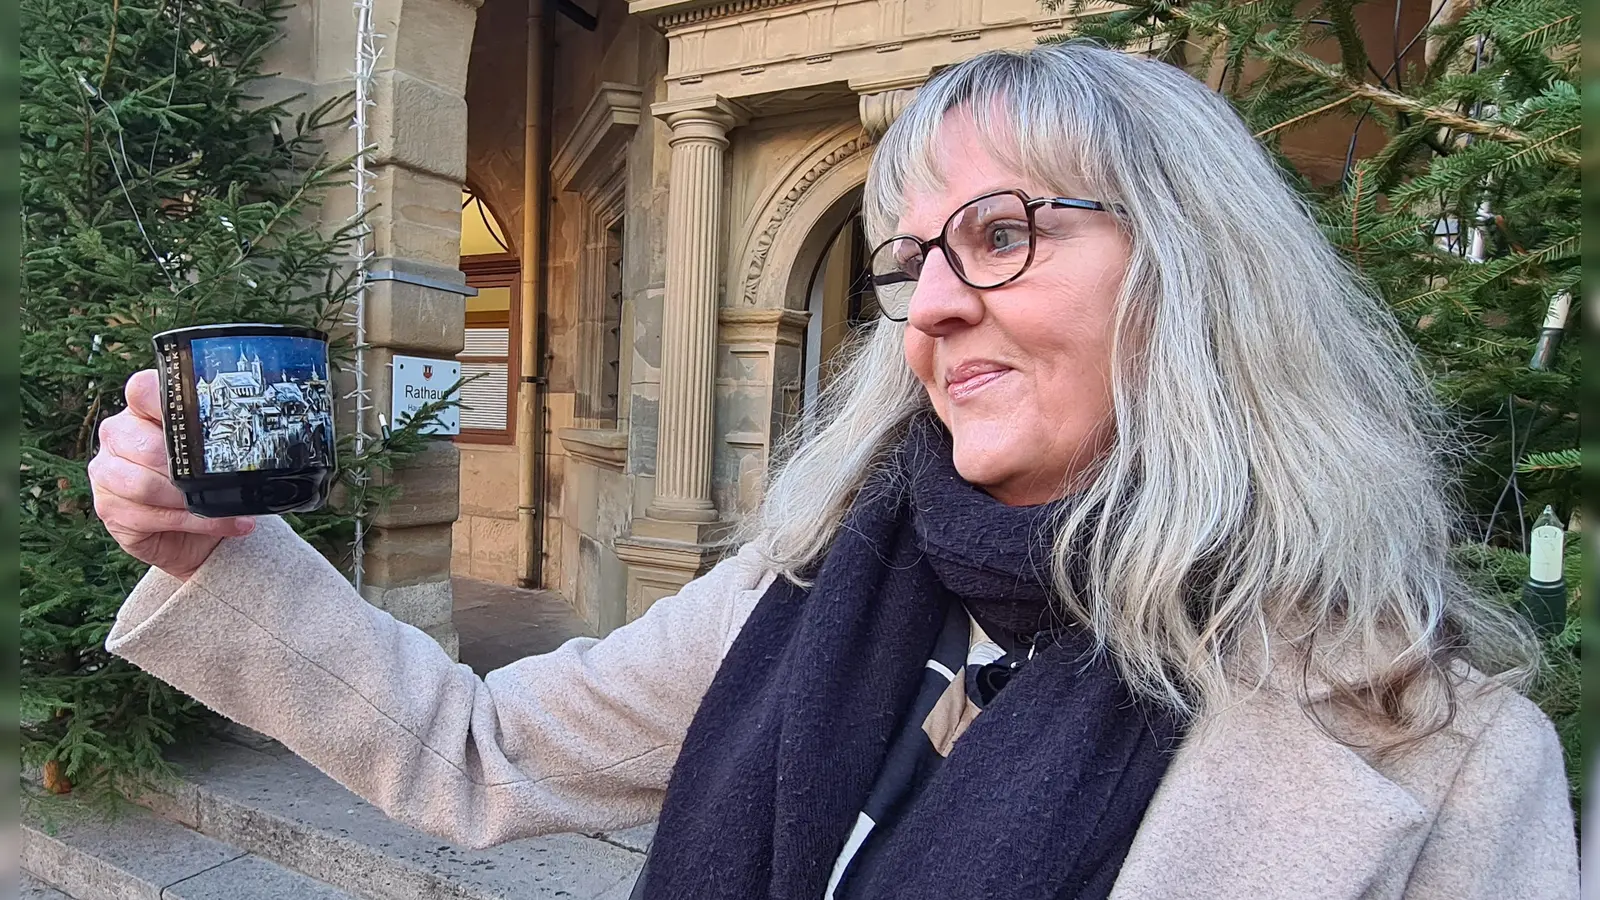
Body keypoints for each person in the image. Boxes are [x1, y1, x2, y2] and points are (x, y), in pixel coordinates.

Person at [90, 43, 1577, 900]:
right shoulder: (807, 589)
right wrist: (212, 556)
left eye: (1000, 234)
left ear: (1196, 273)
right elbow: (483, 752)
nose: (928, 303)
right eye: (908, 259)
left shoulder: (1434, 758)